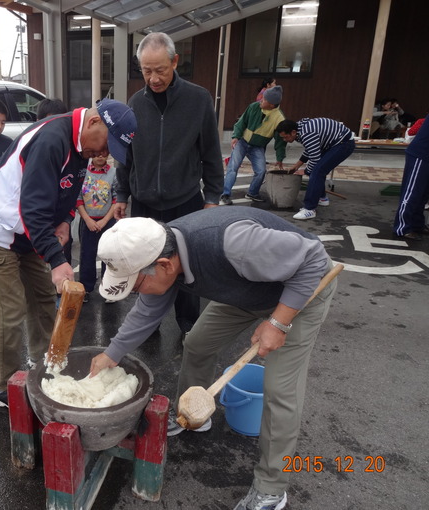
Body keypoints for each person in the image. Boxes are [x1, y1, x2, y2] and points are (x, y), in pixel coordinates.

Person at [89, 208, 336, 510]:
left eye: (136, 285)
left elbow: (313, 258)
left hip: (300, 292)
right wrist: (110, 355)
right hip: (246, 290)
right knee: (197, 344)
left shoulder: (234, 243)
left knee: (280, 390)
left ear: (165, 265)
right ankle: (193, 415)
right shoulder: (163, 250)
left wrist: (279, 322)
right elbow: (148, 310)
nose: (136, 294)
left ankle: (271, 488)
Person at [0, 98, 136, 408]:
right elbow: (31, 207)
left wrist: (64, 220)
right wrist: (57, 260)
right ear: (94, 123)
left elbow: (71, 191)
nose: (105, 153)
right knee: (9, 310)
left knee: (44, 297)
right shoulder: (52, 139)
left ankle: (47, 366)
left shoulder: (83, 148)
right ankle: (5, 388)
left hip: (28, 232)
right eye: (106, 144)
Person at [115, 31, 224, 335]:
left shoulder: (198, 99)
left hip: (185, 199)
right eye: (146, 70)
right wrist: (122, 194)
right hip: (144, 201)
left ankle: (188, 326)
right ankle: (148, 326)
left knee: (186, 268)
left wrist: (213, 196)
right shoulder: (135, 103)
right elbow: (126, 156)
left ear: (175, 62)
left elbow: (211, 153)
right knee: (145, 265)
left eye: (160, 69)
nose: (153, 78)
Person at [276, 118, 355, 220]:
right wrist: (297, 166)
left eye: (286, 137)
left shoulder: (306, 133)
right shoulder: (300, 129)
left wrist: (306, 171)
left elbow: (314, 157)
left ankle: (309, 209)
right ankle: (322, 198)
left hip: (343, 143)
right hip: (334, 142)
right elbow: (310, 149)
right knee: (318, 170)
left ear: (293, 132)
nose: (284, 140)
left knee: (316, 172)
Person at [220, 85, 286, 205]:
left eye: (264, 99)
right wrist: (235, 136)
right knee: (232, 167)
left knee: (261, 171)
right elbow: (242, 122)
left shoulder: (279, 118)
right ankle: (225, 193)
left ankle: (253, 192)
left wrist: (280, 158)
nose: (261, 100)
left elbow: (280, 140)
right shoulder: (254, 106)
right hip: (243, 142)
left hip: (257, 147)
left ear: (272, 104)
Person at [36, 98, 74, 267]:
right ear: (38, 122)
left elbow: (72, 190)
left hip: (60, 221)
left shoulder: (69, 150)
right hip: (38, 223)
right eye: (50, 121)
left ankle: (61, 293)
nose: (56, 127)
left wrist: (66, 220)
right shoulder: (35, 149)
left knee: (63, 258)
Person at [76, 154, 117, 303]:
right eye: (96, 153)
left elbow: (116, 199)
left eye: (104, 152)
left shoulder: (113, 173)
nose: (100, 156)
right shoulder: (83, 172)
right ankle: (86, 288)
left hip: (107, 221)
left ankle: (109, 288)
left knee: (109, 256)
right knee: (87, 255)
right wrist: (87, 219)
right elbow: (78, 198)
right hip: (88, 222)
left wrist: (105, 220)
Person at [393, 115, 429, 240]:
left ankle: (417, 224)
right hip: (421, 154)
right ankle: (402, 227)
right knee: (412, 192)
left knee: (423, 194)